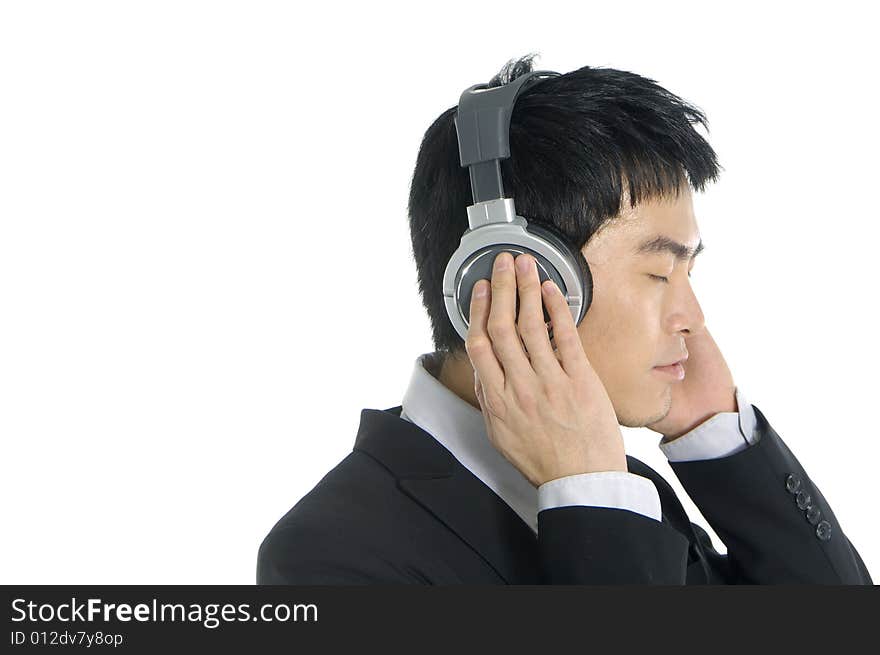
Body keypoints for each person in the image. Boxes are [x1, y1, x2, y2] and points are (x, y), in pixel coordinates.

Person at [256, 55, 873, 584]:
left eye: (690, 274)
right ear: (510, 275)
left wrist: (718, 442)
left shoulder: (629, 490)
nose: (692, 317)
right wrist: (594, 506)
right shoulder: (330, 555)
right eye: (659, 274)